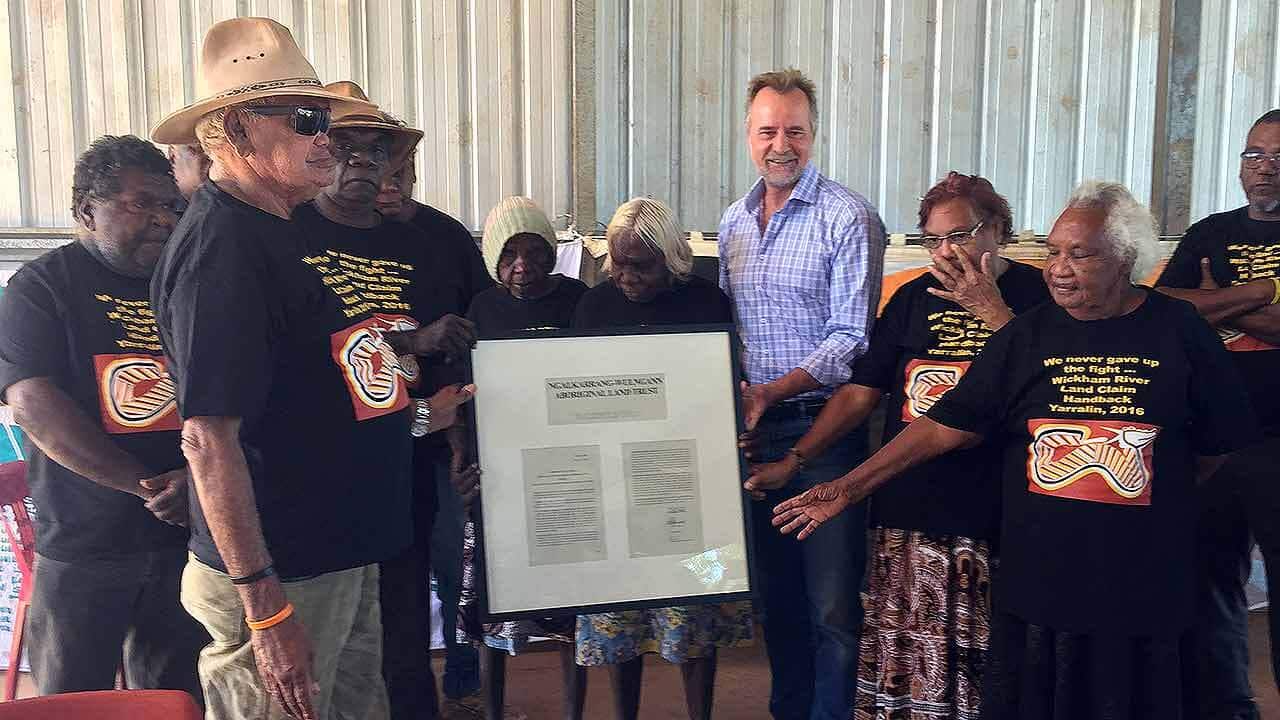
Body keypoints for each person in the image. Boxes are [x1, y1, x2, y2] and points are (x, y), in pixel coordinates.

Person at [774, 181, 1256, 719]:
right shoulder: (1027, 335)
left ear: (1125, 259)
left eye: (1079, 255)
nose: (1059, 269)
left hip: (1139, 582)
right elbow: (943, 426)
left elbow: (1215, 449)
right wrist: (847, 487)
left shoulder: (1178, 330)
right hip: (1040, 582)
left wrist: (1142, 499)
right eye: (1053, 252)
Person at [149, 19, 471, 720]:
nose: (327, 137)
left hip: (336, 552)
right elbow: (208, 439)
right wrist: (264, 606)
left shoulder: (276, 226)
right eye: (306, 120)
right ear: (237, 129)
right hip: (286, 570)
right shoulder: (223, 251)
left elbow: (318, 391)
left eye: (324, 117)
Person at [746, 172, 1048, 718]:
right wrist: (796, 459)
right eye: (933, 240)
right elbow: (861, 393)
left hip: (998, 515)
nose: (946, 251)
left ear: (998, 230)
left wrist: (993, 312)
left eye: (960, 235)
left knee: (994, 667)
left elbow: (1052, 386)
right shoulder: (911, 298)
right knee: (910, 666)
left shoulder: (1040, 295)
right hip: (910, 507)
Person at [289, 80, 491, 720]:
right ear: (319, 151)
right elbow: (297, 353)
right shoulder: (287, 235)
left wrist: (455, 436)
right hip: (316, 473)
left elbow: (462, 341)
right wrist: (411, 339)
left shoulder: (422, 241)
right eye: (346, 147)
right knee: (325, 637)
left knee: (402, 625)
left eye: (376, 152)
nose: (362, 163)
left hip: (406, 464)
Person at [0, 135, 207, 700]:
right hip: (86, 543)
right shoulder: (41, 288)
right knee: (72, 700)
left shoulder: (185, 286)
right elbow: (34, 406)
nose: (164, 219)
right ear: (86, 210)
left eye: (171, 205)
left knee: (172, 696)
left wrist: (196, 482)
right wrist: (147, 487)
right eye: (142, 204)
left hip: (184, 533)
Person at [716, 68, 886, 720]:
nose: (780, 145)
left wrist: (772, 390)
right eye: (768, 131)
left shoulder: (849, 217)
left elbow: (850, 339)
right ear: (748, 135)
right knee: (778, 603)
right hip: (755, 434)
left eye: (794, 131)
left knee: (834, 608)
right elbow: (729, 330)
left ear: (813, 135)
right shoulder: (733, 222)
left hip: (826, 433)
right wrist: (734, 395)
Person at [571, 197, 752, 720]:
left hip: (692, 489)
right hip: (617, 488)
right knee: (620, 615)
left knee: (695, 613)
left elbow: (723, 387)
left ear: (672, 258)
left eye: (641, 265)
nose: (626, 276)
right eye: (617, 262)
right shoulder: (594, 307)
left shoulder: (707, 303)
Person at [1156, 108, 1280, 719]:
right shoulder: (1209, 233)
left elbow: (1194, 309)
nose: (1264, 169)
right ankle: (1230, 710)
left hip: (1278, 441)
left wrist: (1215, 303)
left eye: (1278, 157)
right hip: (1211, 441)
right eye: (1253, 155)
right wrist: (1261, 295)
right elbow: (1163, 304)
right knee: (1211, 583)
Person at [372, 115, 496, 720]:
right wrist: (415, 340)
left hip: (446, 441)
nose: (391, 185)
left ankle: (463, 685)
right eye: (381, 172)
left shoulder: (445, 238)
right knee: (388, 585)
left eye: (404, 173)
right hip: (369, 449)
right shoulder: (319, 239)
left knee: (453, 565)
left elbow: (486, 325)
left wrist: (467, 433)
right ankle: (398, 695)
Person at [456, 196, 589, 720]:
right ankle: (493, 709)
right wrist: (462, 456)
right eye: (509, 254)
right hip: (499, 474)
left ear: (552, 254)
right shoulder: (481, 309)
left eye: (535, 252)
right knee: (496, 604)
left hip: (566, 471)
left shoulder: (578, 300)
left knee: (570, 606)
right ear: (493, 258)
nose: (522, 265)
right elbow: (465, 391)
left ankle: (575, 710)